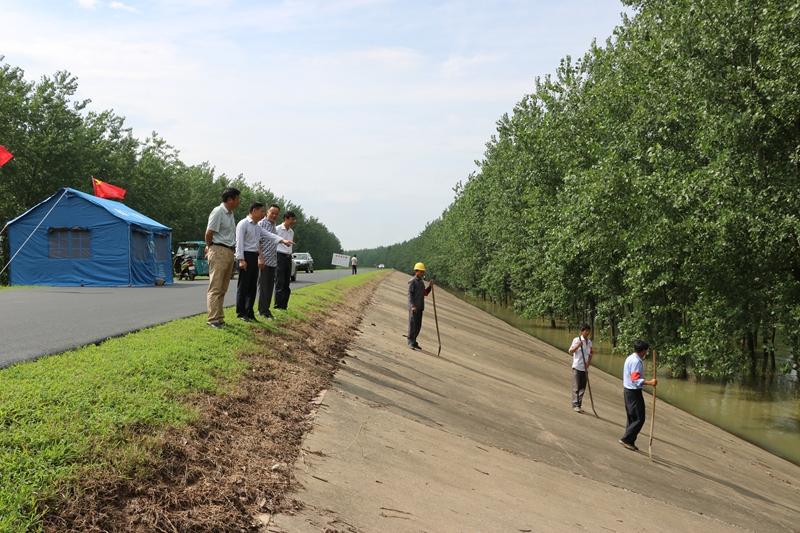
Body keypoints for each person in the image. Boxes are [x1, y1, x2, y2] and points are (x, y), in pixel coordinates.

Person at [205, 187, 240, 328]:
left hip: (229, 251)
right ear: (230, 199)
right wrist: (211, 247)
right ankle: (213, 319)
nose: (239, 201)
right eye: (237, 198)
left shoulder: (230, 214)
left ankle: (219, 318)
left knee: (223, 288)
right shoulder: (218, 211)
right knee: (216, 287)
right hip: (218, 249)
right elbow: (209, 233)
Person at [619, 339, 658, 451]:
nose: (646, 353)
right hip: (633, 392)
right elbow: (635, 379)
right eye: (646, 350)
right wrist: (650, 382)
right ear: (642, 351)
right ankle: (626, 439)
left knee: (632, 417)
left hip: (628, 391)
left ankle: (630, 440)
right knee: (639, 418)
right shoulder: (636, 361)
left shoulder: (631, 358)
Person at [257, 203, 281, 319]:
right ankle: (262, 311)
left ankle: (266, 310)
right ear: (267, 212)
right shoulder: (261, 224)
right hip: (264, 260)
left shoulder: (273, 225)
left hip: (272, 261)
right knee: (263, 287)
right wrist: (260, 257)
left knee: (270, 287)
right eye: (272, 213)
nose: (274, 215)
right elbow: (258, 242)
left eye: (276, 214)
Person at [273, 211, 297, 310]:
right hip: (279, 256)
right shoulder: (277, 229)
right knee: (280, 281)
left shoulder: (291, 231)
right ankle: (278, 305)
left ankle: (284, 305)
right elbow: (272, 242)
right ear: (286, 219)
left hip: (288, 257)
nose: (294, 222)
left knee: (287, 281)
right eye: (292, 219)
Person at [407, 262, 433, 350]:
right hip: (414, 307)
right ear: (416, 271)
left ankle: (414, 341)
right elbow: (410, 295)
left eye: (423, 272)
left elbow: (425, 293)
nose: (422, 273)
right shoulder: (413, 282)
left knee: (418, 325)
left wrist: (430, 287)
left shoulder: (421, 282)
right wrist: (412, 305)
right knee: (412, 325)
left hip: (420, 307)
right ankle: (410, 341)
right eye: (421, 271)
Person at [568, 324, 593, 413]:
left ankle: (579, 404)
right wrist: (578, 346)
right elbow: (570, 351)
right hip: (577, 366)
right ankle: (575, 405)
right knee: (577, 387)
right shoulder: (577, 340)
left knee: (583, 387)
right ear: (582, 331)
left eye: (588, 331)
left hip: (585, 368)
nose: (587, 332)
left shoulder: (589, 342)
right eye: (586, 331)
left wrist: (588, 364)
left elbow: (590, 354)